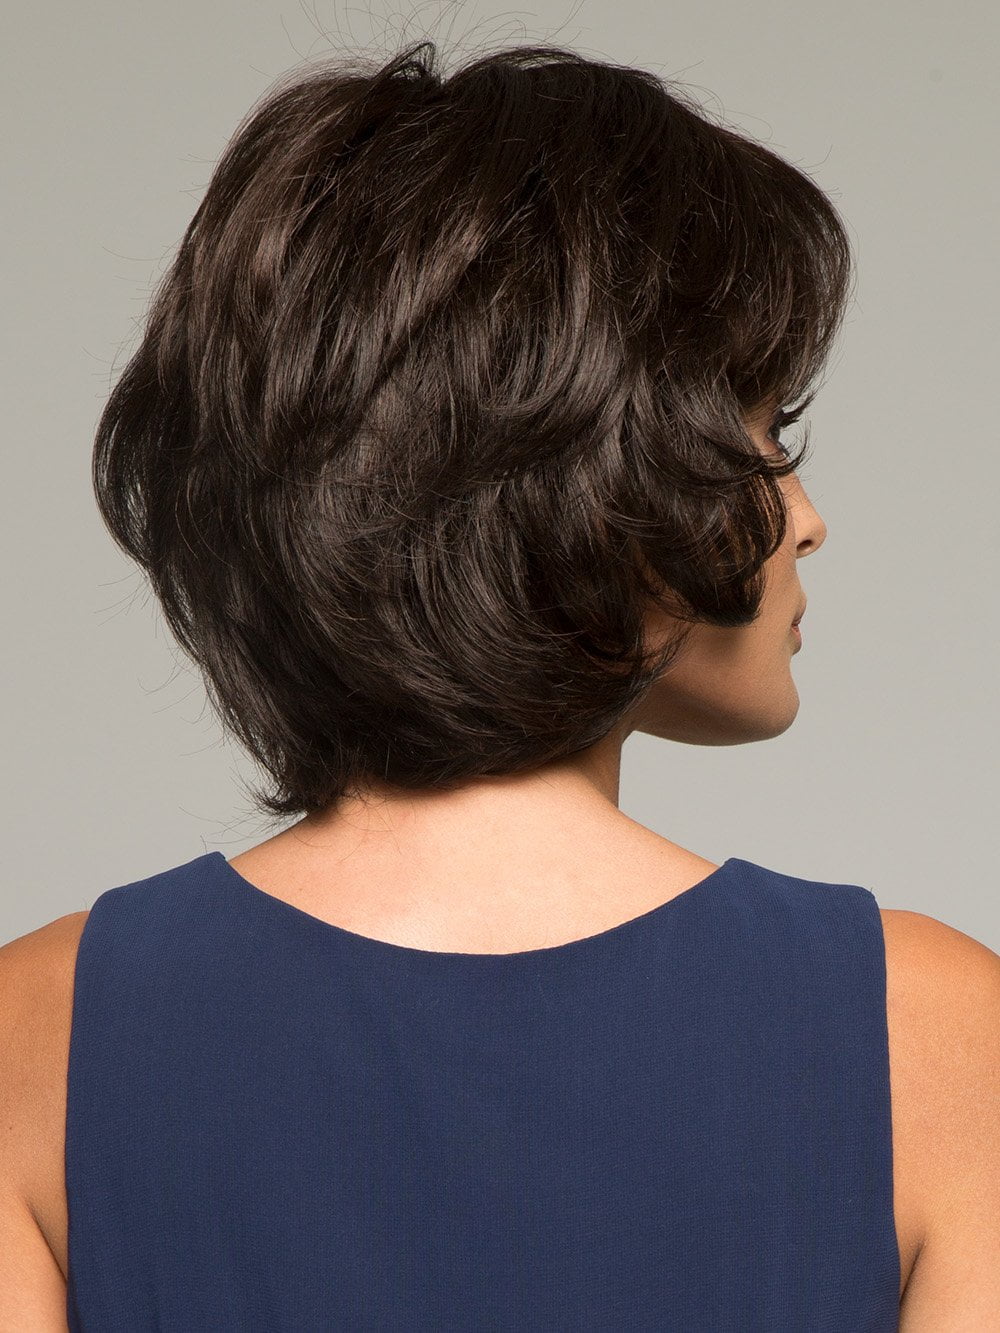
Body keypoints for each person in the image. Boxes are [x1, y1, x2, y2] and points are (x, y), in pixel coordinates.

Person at [2, 38, 998, 1331]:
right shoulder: (929, 1033)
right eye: (768, 434)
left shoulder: (40, 1031)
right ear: (604, 473)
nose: (806, 520)